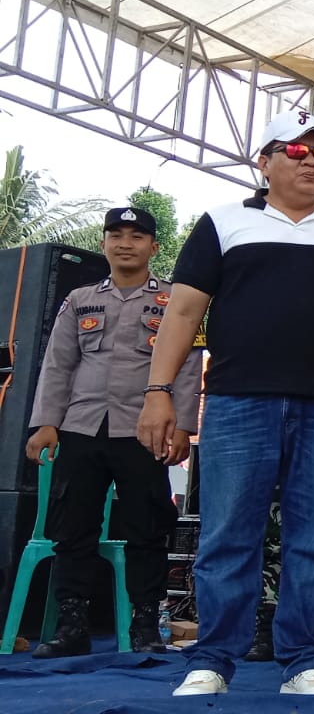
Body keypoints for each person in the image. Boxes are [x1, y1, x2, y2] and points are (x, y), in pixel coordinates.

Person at [138, 109, 314, 698]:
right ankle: (213, 659)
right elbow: (183, 312)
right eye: (296, 150)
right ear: (264, 161)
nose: (312, 161)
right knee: (229, 533)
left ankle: (305, 659)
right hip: (237, 401)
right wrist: (158, 392)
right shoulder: (222, 221)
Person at [24, 206, 202, 658]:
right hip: (80, 426)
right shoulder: (79, 300)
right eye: (116, 235)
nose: (126, 243)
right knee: (73, 527)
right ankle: (72, 626)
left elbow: (187, 366)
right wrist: (46, 423)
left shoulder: (174, 301)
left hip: (145, 429)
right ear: (103, 243)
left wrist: (183, 426)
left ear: (154, 247)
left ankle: (146, 624)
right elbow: (58, 364)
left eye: (137, 236)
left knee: (147, 526)